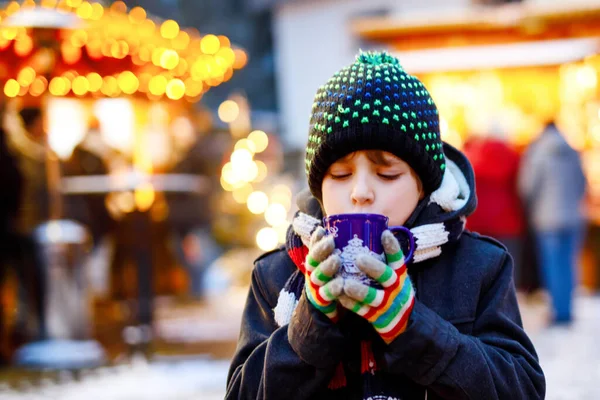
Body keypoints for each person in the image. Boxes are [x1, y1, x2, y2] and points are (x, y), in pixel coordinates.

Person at [226, 51, 545, 399]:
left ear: (423, 185)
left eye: (387, 174)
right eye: (341, 174)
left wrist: (412, 327)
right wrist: (310, 327)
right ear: (319, 187)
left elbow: (522, 390)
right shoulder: (276, 274)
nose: (360, 192)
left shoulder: (478, 266)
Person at [518, 121, 587, 324]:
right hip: (573, 217)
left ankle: (558, 311)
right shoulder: (573, 152)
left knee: (552, 265)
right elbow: (582, 183)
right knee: (568, 264)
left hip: (547, 218)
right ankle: (566, 309)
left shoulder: (538, 152)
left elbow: (527, 186)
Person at [463, 126, 525, 289]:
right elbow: (523, 188)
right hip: (508, 221)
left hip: (479, 221)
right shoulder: (515, 157)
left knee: (480, 271)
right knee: (509, 271)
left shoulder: (474, 157)